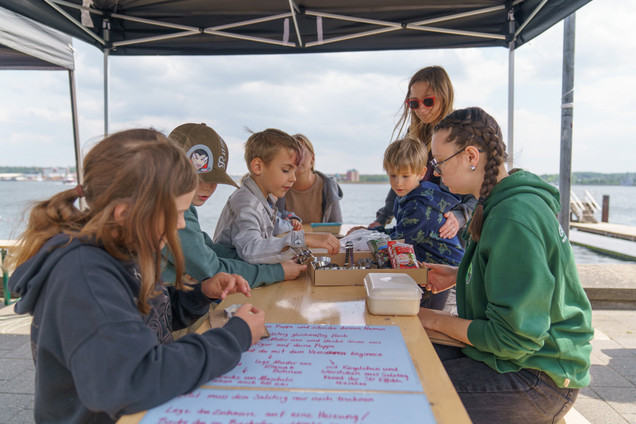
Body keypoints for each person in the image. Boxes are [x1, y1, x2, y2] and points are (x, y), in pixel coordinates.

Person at [7, 129, 267, 423]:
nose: (181, 224)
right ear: (124, 213)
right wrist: (236, 336)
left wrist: (200, 294)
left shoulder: (125, 253)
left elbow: (147, 318)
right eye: (176, 213)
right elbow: (131, 380)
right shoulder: (85, 276)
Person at [419, 107, 593, 423]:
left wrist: (429, 319)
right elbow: (516, 279)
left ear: (470, 155)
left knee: (411, 396)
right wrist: (461, 275)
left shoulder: (512, 217)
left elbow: (513, 338)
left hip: (540, 377)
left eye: (439, 162)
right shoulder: (500, 201)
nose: (435, 172)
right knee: (411, 358)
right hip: (517, 359)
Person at [163, 123, 306, 289]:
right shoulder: (171, 210)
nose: (209, 187)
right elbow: (210, 269)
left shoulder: (184, 206)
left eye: (215, 179)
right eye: (201, 177)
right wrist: (276, 272)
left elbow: (209, 249)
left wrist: (274, 263)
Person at [369, 66, 476, 240]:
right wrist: (381, 219)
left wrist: (461, 215)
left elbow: (480, 190)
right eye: (413, 103)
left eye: (428, 101)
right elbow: (401, 177)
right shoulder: (414, 134)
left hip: (452, 238)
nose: (421, 109)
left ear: (445, 97)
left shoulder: (462, 136)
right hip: (418, 235)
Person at [213, 128, 340, 264]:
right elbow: (250, 250)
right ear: (258, 167)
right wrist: (303, 238)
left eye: (294, 171)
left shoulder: (263, 200)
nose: (293, 178)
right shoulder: (246, 204)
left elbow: (274, 225)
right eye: (286, 170)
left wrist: (291, 225)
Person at [378, 136, 464, 309]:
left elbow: (400, 240)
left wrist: (371, 238)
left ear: (422, 173)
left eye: (405, 176)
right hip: (427, 266)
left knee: (432, 322)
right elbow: (401, 230)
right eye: (392, 175)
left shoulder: (420, 205)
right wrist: (375, 230)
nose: (398, 182)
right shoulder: (406, 196)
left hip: (446, 272)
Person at [275, 133, 343, 223]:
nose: (298, 159)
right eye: (293, 154)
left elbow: (336, 225)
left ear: (312, 158)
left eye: (303, 153)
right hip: (288, 237)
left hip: (321, 237)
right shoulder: (278, 185)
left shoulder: (328, 186)